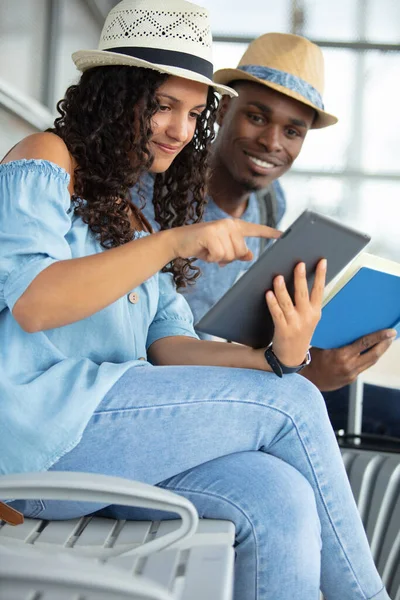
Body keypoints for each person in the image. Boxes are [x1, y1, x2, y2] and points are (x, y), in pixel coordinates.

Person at [0, 1, 392, 599]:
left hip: (103, 439)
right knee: (295, 401)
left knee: (276, 495)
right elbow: (33, 303)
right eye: (161, 105)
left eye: (191, 113)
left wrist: (275, 358)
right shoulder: (44, 158)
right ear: (114, 94)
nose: (179, 131)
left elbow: (168, 344)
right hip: (33, 434)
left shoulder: (134, 212)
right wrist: (174, 241)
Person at [136, 32, 397, 423]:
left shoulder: (269, 201)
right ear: (223, 110)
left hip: (245, 370)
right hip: (172, 386)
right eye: (256, 117)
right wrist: (303, 372)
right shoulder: (153, 192)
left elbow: (249, 323)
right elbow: (144, 340)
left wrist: (306, 351)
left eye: (293, 131)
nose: (271, 142)